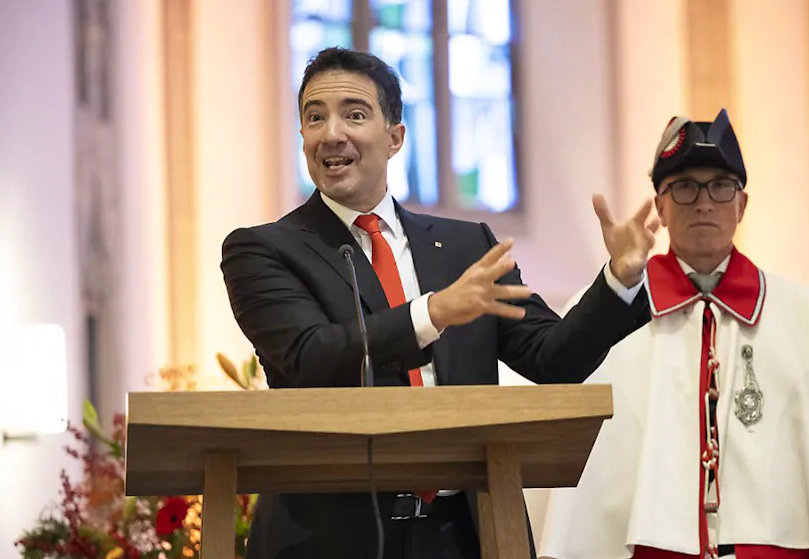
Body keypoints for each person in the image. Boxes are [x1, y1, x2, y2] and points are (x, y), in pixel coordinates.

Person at [220, 47, 659, 559]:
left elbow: (553, 359)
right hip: (329, 536)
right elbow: (309, 356)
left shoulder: (466, 246)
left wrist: (619, 281)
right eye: (314, 117)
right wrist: (431, 314)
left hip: (465, 533)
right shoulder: (263, 248)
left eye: (354, 114)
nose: (331, 133)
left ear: (395, 137)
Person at [538, 109, 809, 559]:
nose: (704, 202)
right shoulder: (604, 325)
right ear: (660, 207)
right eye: (684, 187)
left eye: (721, 186)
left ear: (742, 204)